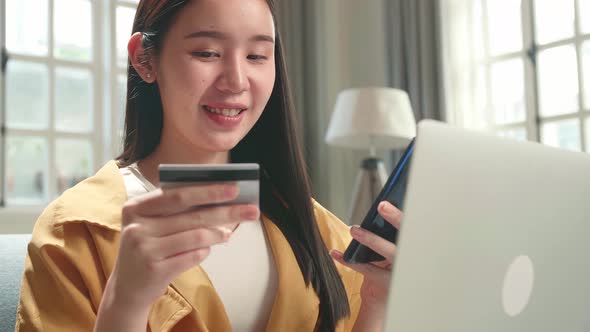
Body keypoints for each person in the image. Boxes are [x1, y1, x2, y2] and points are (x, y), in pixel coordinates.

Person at [15, 0, 402, 331]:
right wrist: (126, 303)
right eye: (207, 53)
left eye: (256, 56)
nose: (236, 80)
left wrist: (376, 303)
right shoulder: (74, 232)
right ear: (143, 59)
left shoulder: (315, 228)